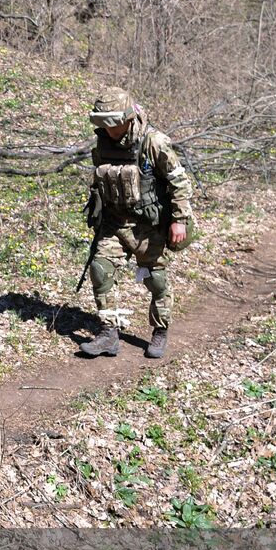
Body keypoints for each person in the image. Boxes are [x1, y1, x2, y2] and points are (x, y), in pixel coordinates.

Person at [80, 87, 194, 360]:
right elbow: (102, 180)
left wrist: (178, 220)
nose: (107, 129)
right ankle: (109, 333)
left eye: (112, 123)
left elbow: (179, 183)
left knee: (156, 280)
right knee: (100, 270)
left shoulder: (153, 142)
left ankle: (160, 330)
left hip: (148, 225)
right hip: (115, 222)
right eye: (102, 123)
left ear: (128, 118)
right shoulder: (104, 143)